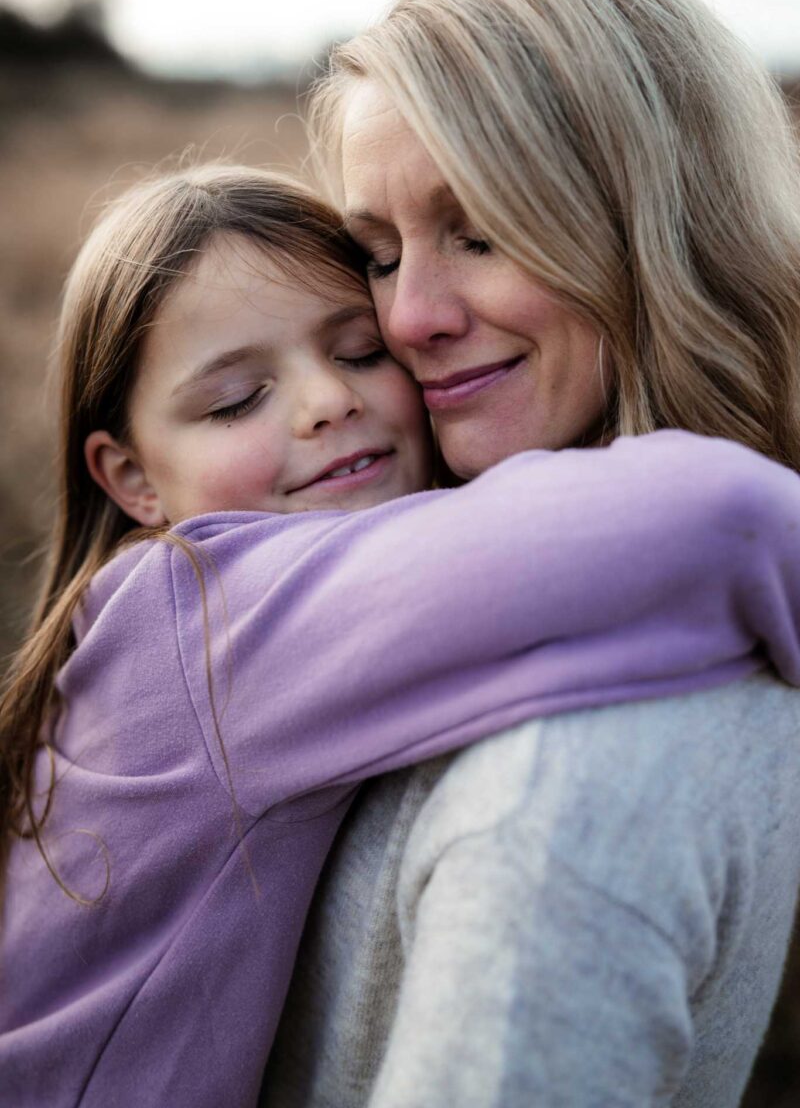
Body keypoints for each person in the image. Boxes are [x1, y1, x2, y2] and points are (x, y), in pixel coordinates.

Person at [4, 166, 796, 1107]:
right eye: (233, 401)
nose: (324, 402)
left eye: (359, 351)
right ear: (132, 478)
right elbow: (714, 522)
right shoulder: (196, 615)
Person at [260, 0, 800, 1108]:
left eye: (482, 230)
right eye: (378, 250)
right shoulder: (434, 596)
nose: (408, 316)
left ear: (658, 225)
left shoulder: (574, 775)